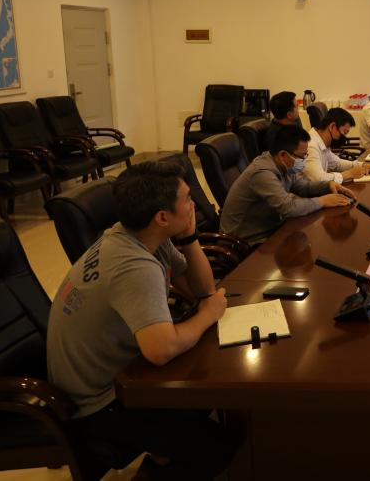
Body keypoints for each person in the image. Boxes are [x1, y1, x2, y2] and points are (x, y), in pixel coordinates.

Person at [47, 161, 235, 479]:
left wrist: (189, 237)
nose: (194, 204)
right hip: (99, 404)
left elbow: (201, 289)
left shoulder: (138, 236)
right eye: (188, 199)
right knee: (219, 448)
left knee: (212, 390)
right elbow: (161, 350)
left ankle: (164, 454)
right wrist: (208, 314)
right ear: (162, 217)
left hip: (118, 374)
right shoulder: (135, 266)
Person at [220, 124, 354, 244]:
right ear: (283, 154)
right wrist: (322, 201)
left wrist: (328, 185)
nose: (304, 160)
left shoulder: (284, 164)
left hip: (270, 228)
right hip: (245, 242)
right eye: (302, 156)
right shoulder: (262, 173)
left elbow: (303, 187)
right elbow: (288, 207)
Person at [304, 107, 370, 184]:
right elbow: (318, 179)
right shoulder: (311, 146)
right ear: (332, 127)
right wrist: (349, 174)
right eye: (344, 132)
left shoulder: (322, 142)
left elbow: (337, 163)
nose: (344, 137)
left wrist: (362, 165)